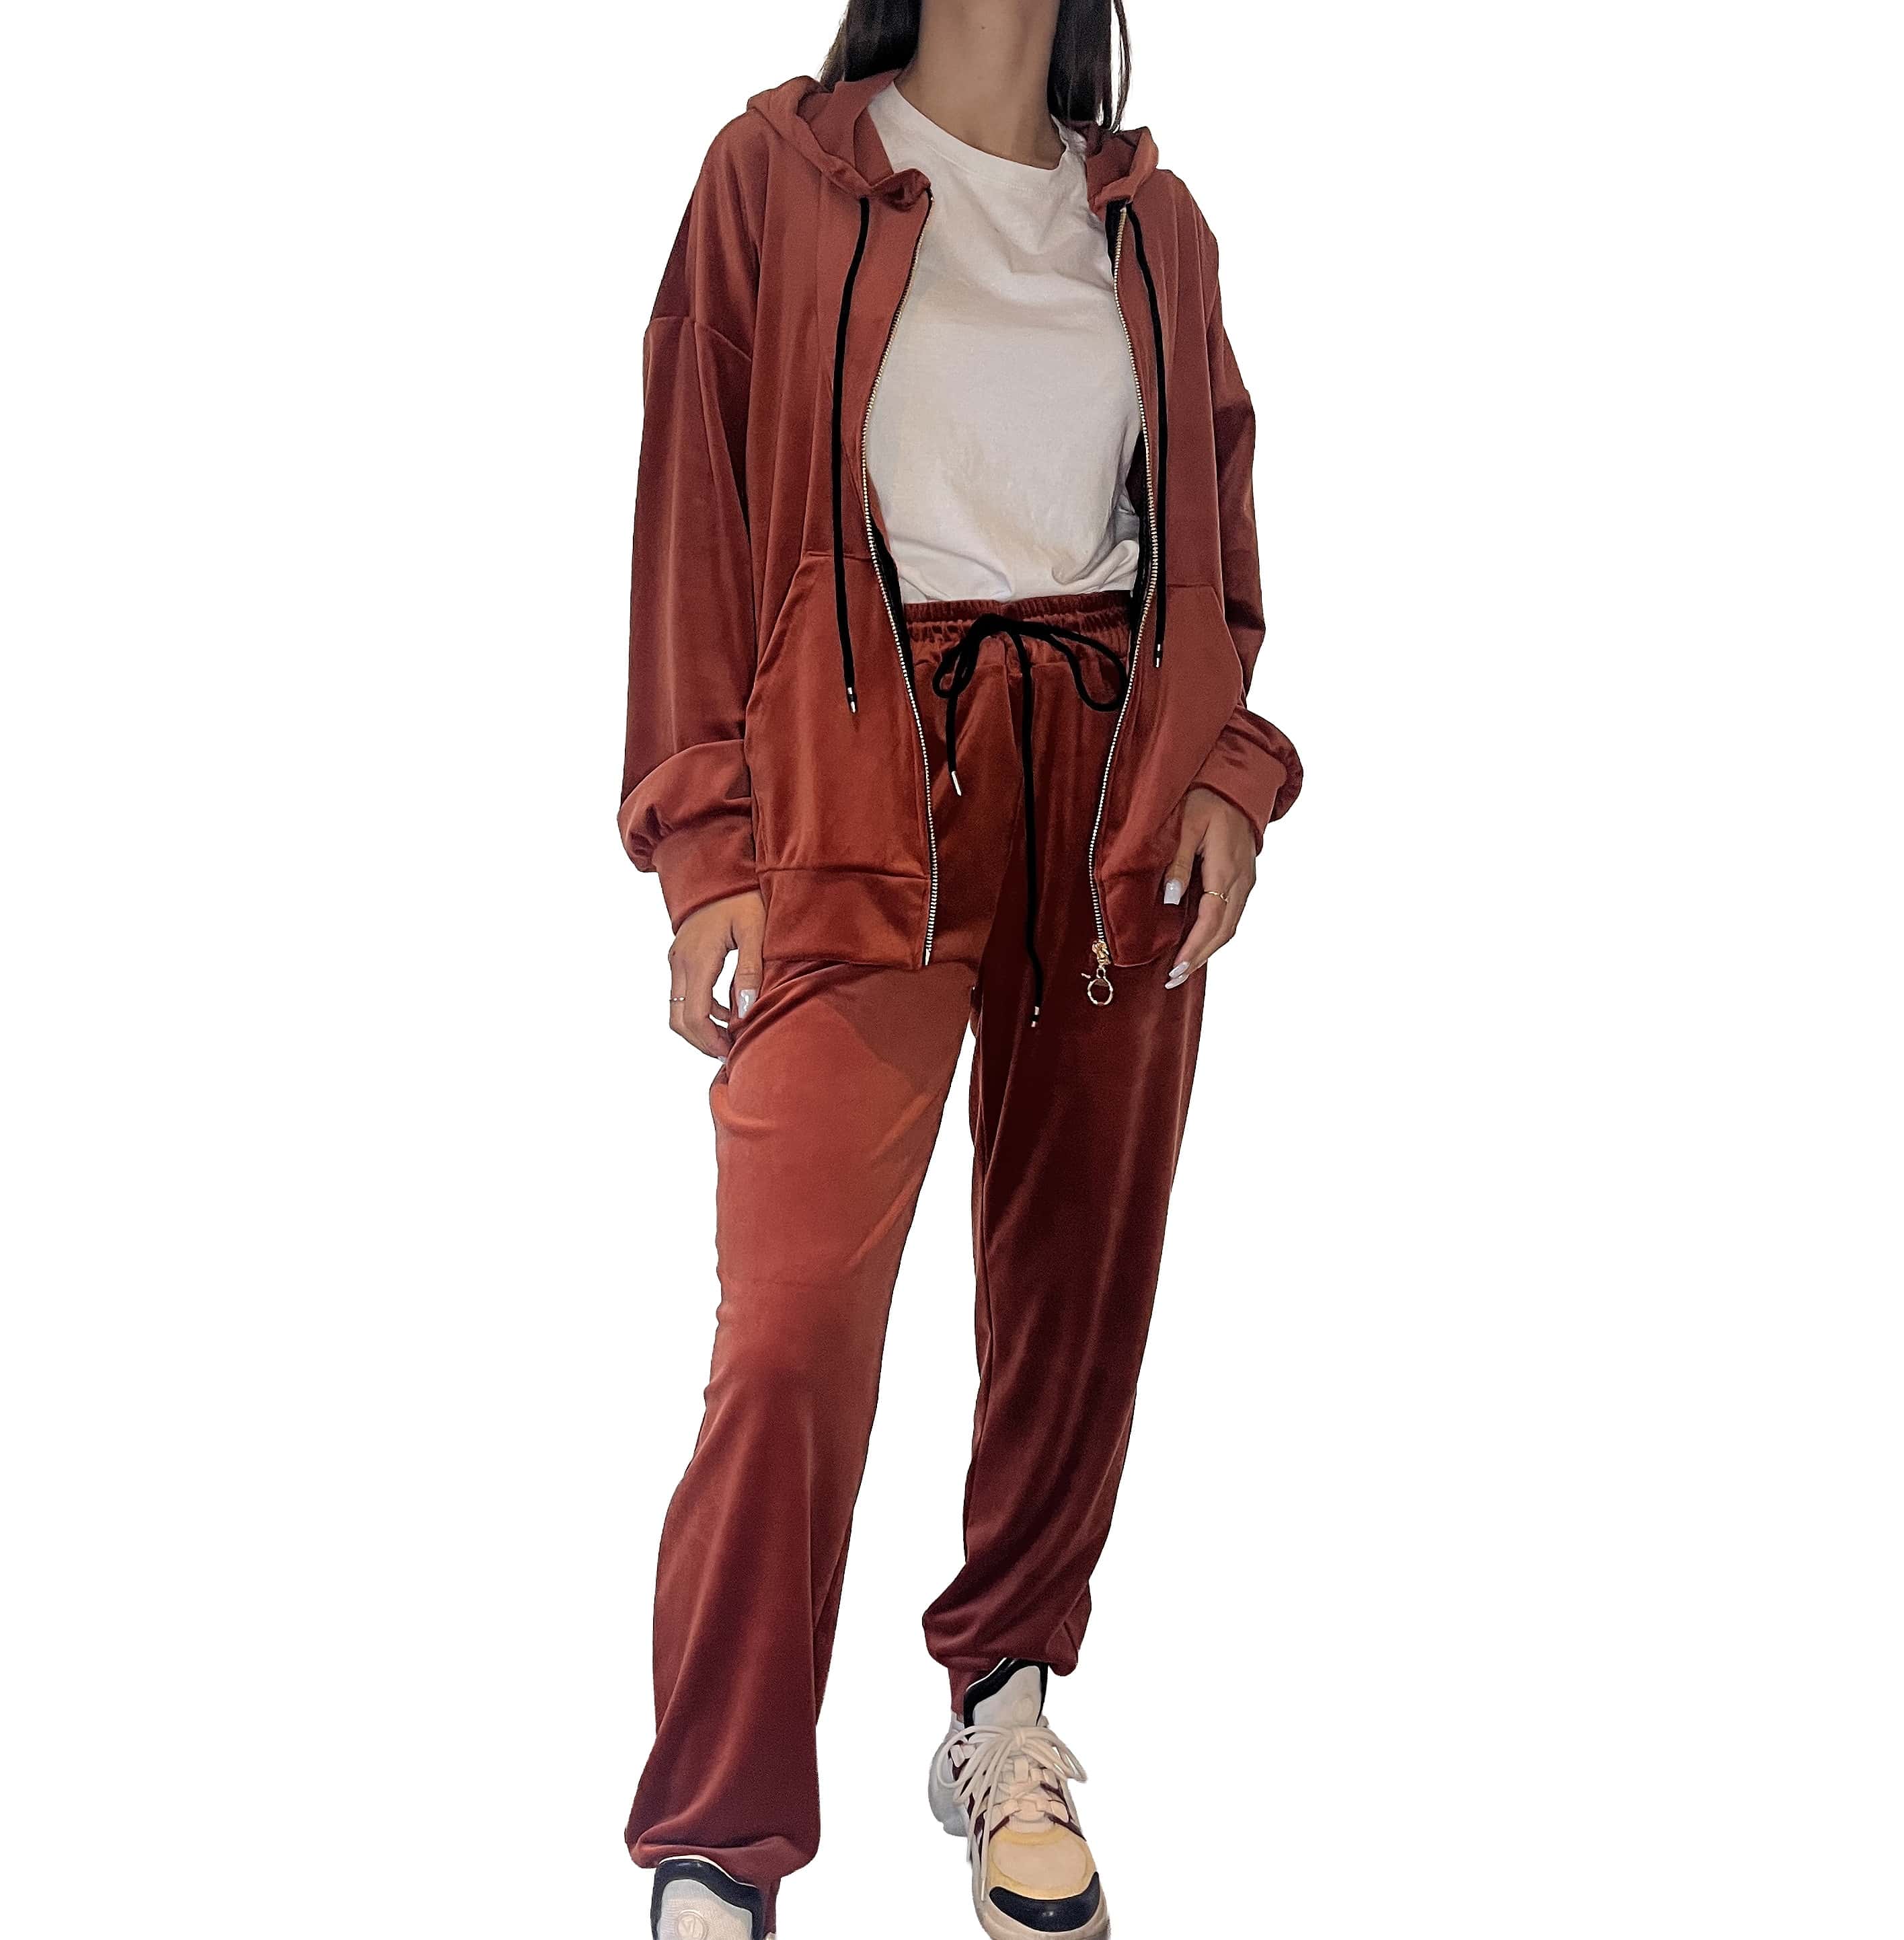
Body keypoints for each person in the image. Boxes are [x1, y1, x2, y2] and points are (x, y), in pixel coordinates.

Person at [619, 3, 1299, 1934]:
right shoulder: (778, 172)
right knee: (789, 1332)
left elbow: (1217, 547)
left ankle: (1005, 1705)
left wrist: (1228, 776)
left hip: (1109, 793)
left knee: (1077, 1289)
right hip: (855, 781)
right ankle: (718, 1827)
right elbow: (692, 507)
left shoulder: (1153, 224)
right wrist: (705, 842)